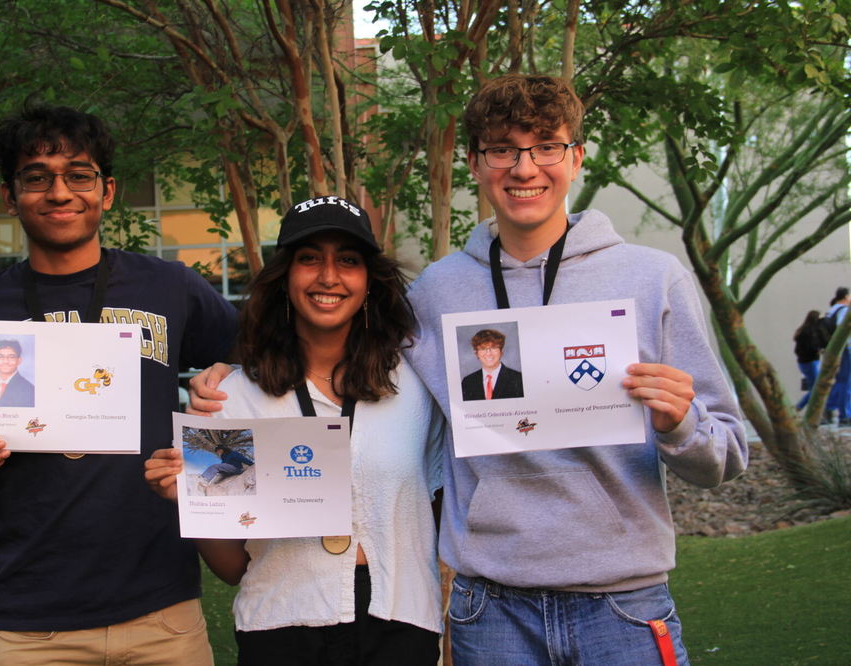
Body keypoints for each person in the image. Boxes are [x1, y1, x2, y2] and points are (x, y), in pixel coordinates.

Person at [191, 74, 748, 665]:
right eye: (502, 149)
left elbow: (726, 455)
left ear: (577, 158)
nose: (524, 168)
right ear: (475, 165)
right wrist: (234, 375)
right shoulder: (439, 290)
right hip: (492, 608)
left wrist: (680, 424)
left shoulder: (652, 279)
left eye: (546, 146)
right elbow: (345, 340)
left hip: (623, 605)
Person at [0, 104, 237, 664]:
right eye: (36, 177)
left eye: (78, 174)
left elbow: (254, 361)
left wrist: (222, 377)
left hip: (162, 609)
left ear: (108, 190)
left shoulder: (171, 288)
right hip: (31, 618)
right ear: (9, 196)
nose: (59, 192)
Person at [146, 196, 445, 665]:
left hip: (399, 624)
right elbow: (232, 568)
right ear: (284, 278)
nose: (328, 276)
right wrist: (191, 497)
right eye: (309, 259)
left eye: (348, 260)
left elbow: (444, 505)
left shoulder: (415, 386)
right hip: (282, 626)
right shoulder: (234, 397)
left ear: (369, 281)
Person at [460, 328, 524, 400]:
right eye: (483, 348)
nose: (488, 353)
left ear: (501, 352)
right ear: (477, 354)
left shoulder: (518, 379)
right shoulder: (467, 382)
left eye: (493, 348)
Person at [0, 339, 35, 407]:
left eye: (11, 357)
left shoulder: (29, 390)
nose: (5, 361)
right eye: (0, 356)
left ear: (19, 360)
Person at [823, 287, 850, 425]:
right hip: (846, 348)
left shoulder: (832, 309)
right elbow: (842, 328)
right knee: (846, 382)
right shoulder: (844, 310)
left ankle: (829, 408)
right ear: (846, 296)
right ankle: (845, 415)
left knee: (840, 381)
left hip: (837, 349)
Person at [793, 311, 829, 410]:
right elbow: (815, 345)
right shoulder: (812, 332)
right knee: (816, 389)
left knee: (813, 388)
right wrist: (818, 350)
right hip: (811, 362)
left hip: (803, 362)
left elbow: (797, 350)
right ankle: (799, 407)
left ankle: (803, 408)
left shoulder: (802, 331)